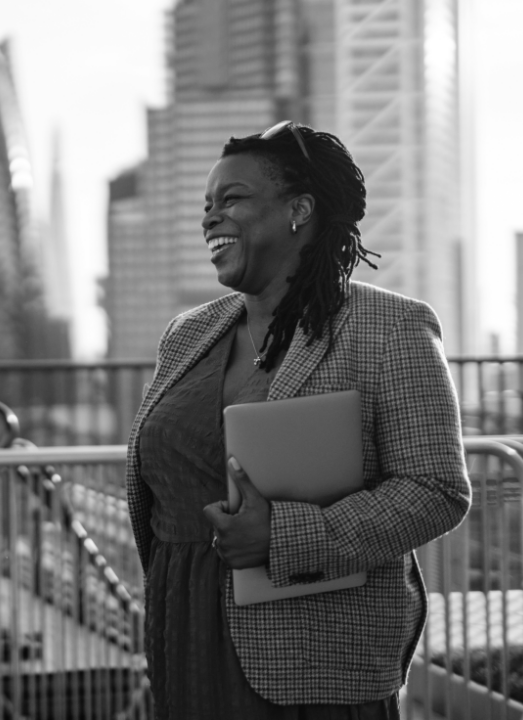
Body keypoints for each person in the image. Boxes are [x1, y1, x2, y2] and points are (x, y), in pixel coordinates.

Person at [124, 121, 471, 718]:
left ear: (299, 210)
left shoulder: (389, 328)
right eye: (207, 206)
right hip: (185, 629)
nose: (211, 217)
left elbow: (437, 489)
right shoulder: (187, 334)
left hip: (315, 653)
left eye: (232, 199)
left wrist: (283, 536)